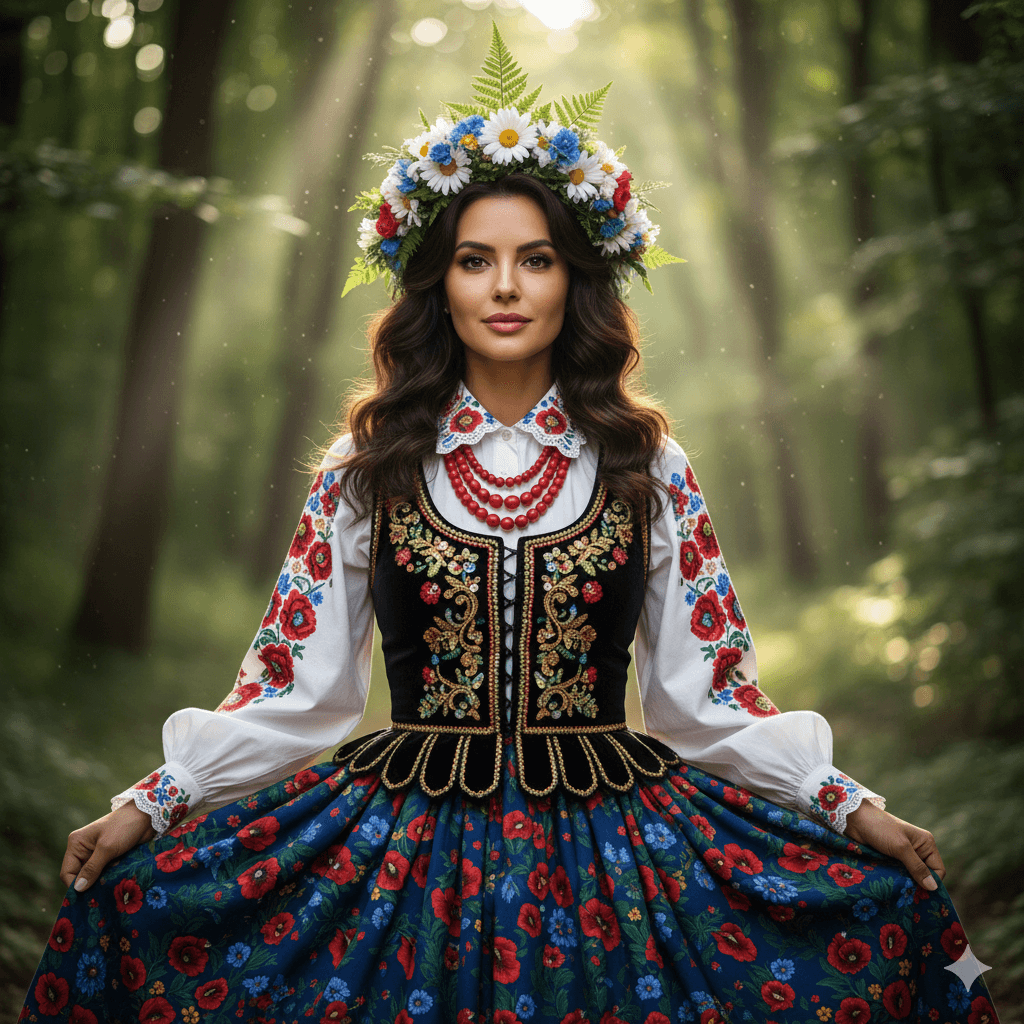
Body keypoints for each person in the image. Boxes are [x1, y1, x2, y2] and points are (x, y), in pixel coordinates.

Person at [22, 28, 999, 1024]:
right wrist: (155, 800)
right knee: (142, 906)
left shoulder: (647, 464)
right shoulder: (368, 467)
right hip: (406, 851)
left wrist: (846, 804)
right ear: (435, 282)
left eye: (535, 260)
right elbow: (297, 694)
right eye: (473, 260)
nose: (503, 287)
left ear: (576, 277)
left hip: (610, 854)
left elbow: (705, 701)